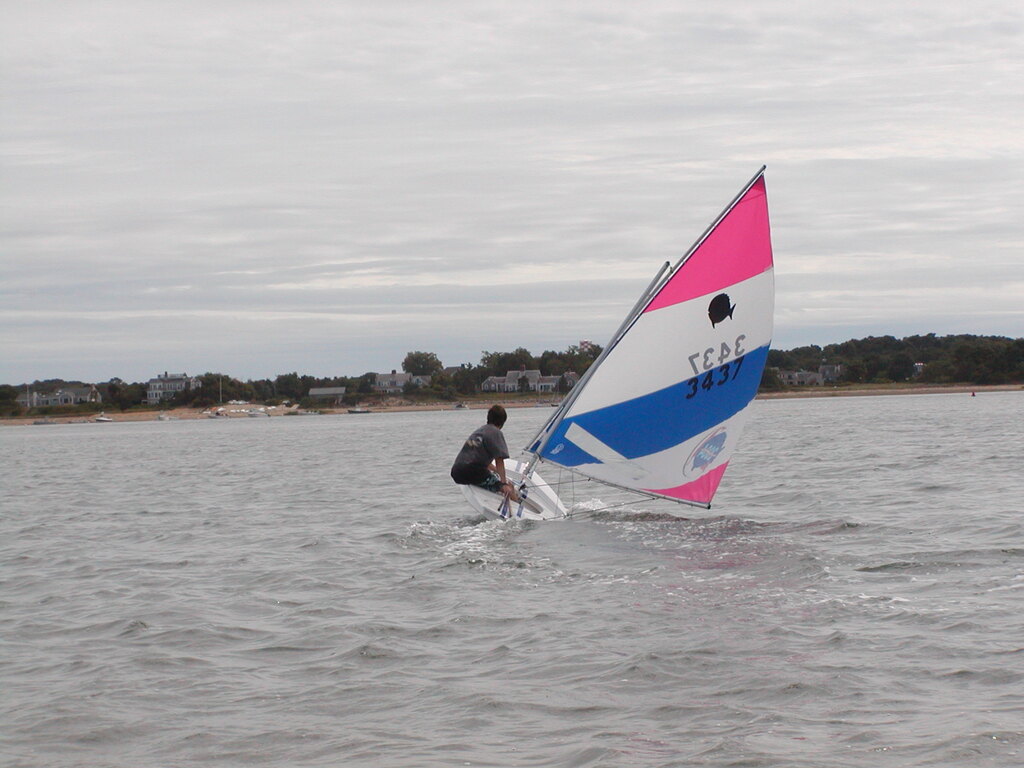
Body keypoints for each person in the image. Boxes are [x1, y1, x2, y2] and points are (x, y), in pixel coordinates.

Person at [450, 404, 519, 500]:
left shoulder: (479, 431)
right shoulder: (496, 432)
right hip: (473, 471)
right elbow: (499, 461)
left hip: (457, 472)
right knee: (507, 487)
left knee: (492, 476)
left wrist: (495, 471)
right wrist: (503, 483)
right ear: (503, 422)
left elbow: (478, 458)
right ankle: (516, 504)